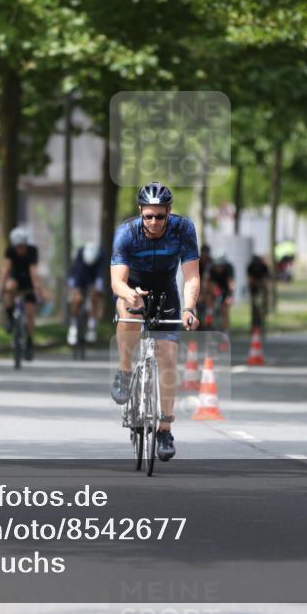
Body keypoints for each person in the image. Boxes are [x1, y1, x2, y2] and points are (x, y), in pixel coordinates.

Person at [110, 181, 200, 462]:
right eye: (148, 216)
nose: (154, 222)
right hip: (132, 288)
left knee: (168, 356)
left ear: (169, 212)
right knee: (128, 313)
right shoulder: (126, 233)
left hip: (165, 291)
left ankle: (165, 429)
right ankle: (125, 370)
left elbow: (191, 275)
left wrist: (189, 308)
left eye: (160, 216)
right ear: (140, 212)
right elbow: (117, 281)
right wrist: (130, 294)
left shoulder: (183, 229)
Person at [0, 226, 48, 360]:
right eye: (18, 247)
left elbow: (33, 270)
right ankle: (10, 319)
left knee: (30, 313)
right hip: (16, 278)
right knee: (10, 287)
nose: (21, 249)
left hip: (29, 281)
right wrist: (1, 286)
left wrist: (37, 287)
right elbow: (6, 269)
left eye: (23, 246)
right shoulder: (10, 251)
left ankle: (29, 341)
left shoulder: (32, 251)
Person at [67, 241, 104, 345]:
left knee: (95, 298)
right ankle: (73, 326)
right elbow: (75, 272)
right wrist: (74, 288)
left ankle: (92, 326)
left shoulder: (101, 255)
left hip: (93, 276)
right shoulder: (80, 254)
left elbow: (100, 273)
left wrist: (98, 287)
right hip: (80, 276)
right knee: (76, 299)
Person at [208, 253, 235, 333]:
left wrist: (230, 296)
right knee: (210, 301)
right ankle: (209, 320)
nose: (218, 268)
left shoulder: (229, 268)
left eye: (220, 266)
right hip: (215, 286)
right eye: (217, 266)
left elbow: (231, 283)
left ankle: (226, 331)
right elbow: (209, 283)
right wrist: (213, 292)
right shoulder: (211, 268)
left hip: (225, 288)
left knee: (225, 310)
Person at [247, 254, 271, 328]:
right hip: (254, 286)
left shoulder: (264, 267)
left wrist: (262, 284)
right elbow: (249, 279)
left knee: (265, 295)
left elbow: (266, 278)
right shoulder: (250, 267)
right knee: (254, 303)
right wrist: (253, 283)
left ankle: (265, 308)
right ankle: (254, 320)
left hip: (262, 283)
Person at [197, 244, 214, 325]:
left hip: (209, 285)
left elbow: (211, 278)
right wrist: (200, 292)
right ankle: (199, 322)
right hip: (199, 285)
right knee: (199, 303)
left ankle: (209, 321)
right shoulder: (198, 262)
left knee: (209, 302)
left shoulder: (211, 262)